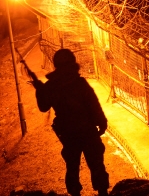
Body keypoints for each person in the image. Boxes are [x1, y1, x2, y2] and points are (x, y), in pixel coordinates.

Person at [31, 49, 110, 196]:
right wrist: (102, 122)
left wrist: (40, 90)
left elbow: (43, 107)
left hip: (68, 133)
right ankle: (102, 191)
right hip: (87, 131)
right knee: (97, 164)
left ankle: (75, 193)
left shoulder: (51, 86)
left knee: (72, 166)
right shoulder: (79, 83)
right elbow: (93, 104)